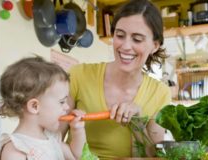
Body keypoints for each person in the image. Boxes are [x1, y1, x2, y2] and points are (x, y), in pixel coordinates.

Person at [61, 0, 171, 159]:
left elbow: (155, 155)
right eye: (120, 35)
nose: (125, 46)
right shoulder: (79, 75)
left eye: (137, 39)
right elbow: (52, 139)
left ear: (154, 45)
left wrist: (138, 123)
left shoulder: (160, 93)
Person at [0, 57, 86, 160]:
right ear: (35, 106)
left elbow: (75, 156)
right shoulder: (16, 149)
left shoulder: (52, 139)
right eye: (61, 102)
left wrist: (77, 130)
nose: (67, 107)